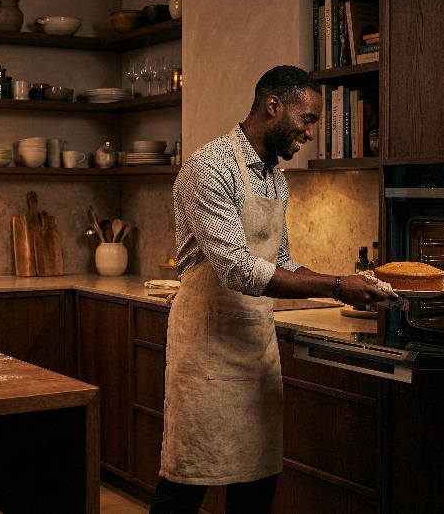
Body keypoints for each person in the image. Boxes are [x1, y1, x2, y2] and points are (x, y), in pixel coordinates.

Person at [151, 65, 392, 514]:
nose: (310, 133)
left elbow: (281, 263)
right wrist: (339, 286)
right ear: (273, 106)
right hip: (204, 352)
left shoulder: (275, 180)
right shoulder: (209, 168)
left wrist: (354, 283)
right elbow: (239, 270)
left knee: (257, 489)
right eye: (308, 120)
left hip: (255, 349)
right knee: (184, 487)